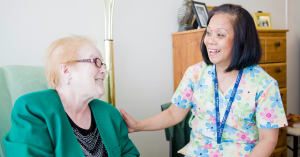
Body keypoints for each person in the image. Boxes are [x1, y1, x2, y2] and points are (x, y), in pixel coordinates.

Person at [120, 4, 287, 157]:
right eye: (208, 32)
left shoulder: (264, 85)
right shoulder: (195, 73)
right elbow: (173, 114)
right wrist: (137, 125)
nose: (209, 40)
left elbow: (268, 139)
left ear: (242, 40)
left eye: (220, 34)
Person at [3, 36, 140, 157]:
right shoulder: (32, 109)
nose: (104, 71)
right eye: (96, 62)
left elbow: (129, 152)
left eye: (103, 64)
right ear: (66, 70)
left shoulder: (110, 113)